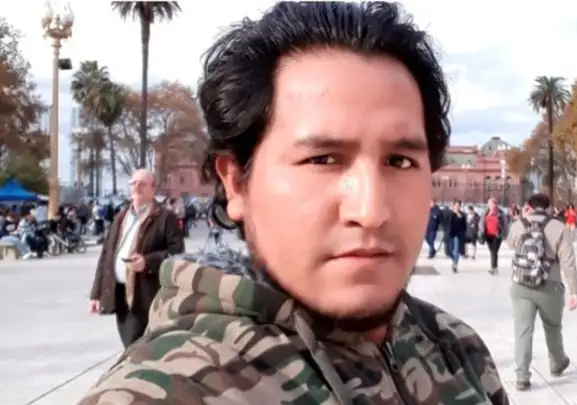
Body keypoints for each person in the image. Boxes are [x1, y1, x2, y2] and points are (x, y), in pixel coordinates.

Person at [77, 3, 508, 405]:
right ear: (236, 183)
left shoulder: (457, 349)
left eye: (400, 161)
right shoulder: (170, 389)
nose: (371, 211)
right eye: (322, 160)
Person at [87, 169, 185, 348]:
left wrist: (147, 262)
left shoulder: (165, 218)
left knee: (136, 346)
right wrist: (96, 294)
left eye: (142, 184)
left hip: (145, 295)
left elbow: (177, 253)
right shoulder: (121, 217)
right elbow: (106, 255)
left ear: (153, 189)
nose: (136, 187)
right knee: (131, 345)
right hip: (120, 293)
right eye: (133, 183)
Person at [505, 193, 577, 391]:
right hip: (550, 285)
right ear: (548, 208)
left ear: (529, 206)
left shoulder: (519, 225)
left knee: (523, 330)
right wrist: (574, 291)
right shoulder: (559, 228)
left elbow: (510, 243)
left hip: (521, 285)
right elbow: (568, 261)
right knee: (553, 327)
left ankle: (522, 376)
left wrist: (522, 217)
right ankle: (557, 363)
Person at [478, 197, 507, 275]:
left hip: (497, 235)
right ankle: (495, 267)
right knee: (493, 251)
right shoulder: (485, 212)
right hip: (488, 235)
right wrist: (482, 230)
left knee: (493, 250)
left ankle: (493, 268)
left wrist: (505, 235)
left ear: (496, 204)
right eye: (490, 204)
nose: (492, 205)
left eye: (493, 204)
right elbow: (481, 222)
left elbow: (505, 224)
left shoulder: (501, 213)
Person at [446, 199, 467, 273]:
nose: (457, 207)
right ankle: (454, 260)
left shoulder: (462, 214)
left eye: (459, 206)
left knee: (456, 250)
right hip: (450, 235)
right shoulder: (449, 213)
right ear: (453, 206)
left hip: (457, 235)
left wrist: (459, 216)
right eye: (456, 205)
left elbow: (464, 226)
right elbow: (445, 222)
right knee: (449, 252)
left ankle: (455, 264)